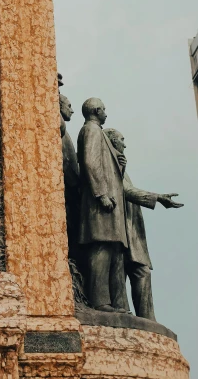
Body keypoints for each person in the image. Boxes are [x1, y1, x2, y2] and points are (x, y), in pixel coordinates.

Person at [104, 128, 183, 321]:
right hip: (120, 231)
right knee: (128, 273)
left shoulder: (119, 165)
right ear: (113, 143)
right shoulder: (108, 165)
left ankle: (146, 319)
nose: (125, 144)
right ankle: (132, 317)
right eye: (122, 140)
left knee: (139, 273)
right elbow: (127, 191)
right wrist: (158, 198)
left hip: (130, 231)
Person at [77, 98, 128, 312]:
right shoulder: (91, 130)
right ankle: (100, 301)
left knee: (114, 252)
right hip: (101, 204)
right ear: (96, 110)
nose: (106, 112)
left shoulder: (99, 132)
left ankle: (118, 304)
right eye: (104, 109)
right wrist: (101, 195)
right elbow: (90, 162)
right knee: (101, 250)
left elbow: (107, 168)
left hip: (111, 206)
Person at [59, 94, 80, 260]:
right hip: (67, 188)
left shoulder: (65, 130)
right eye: (69, 105)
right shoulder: (60, 126)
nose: (72, 110)